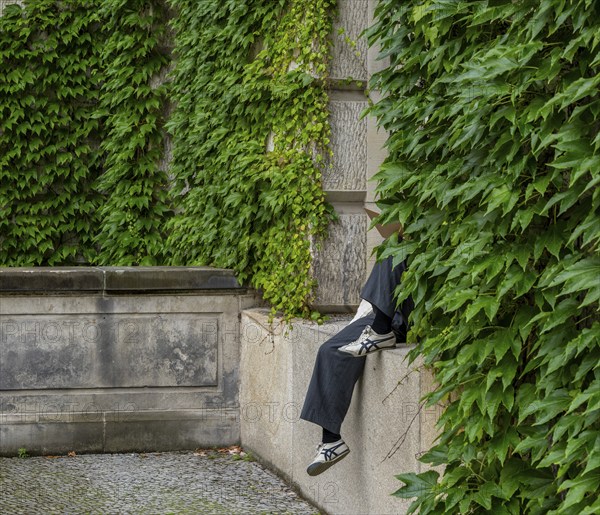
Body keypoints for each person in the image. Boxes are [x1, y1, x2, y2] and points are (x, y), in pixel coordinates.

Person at [300, 253, 413, 476]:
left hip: (403, 316)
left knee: (393, 251)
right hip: (381, 313)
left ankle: (381, 332)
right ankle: (331, 441)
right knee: (329, 350)